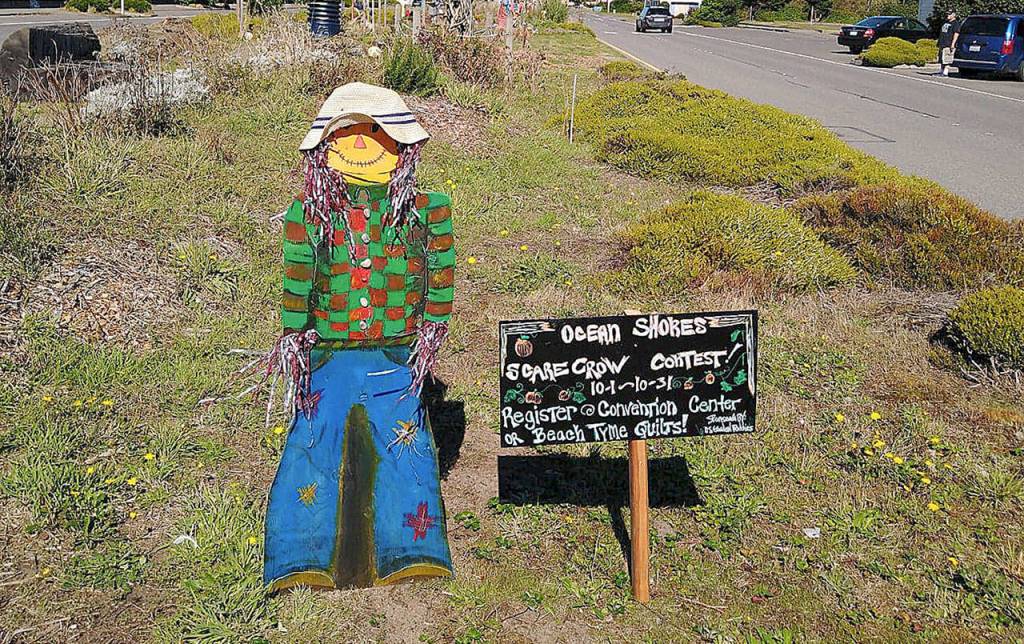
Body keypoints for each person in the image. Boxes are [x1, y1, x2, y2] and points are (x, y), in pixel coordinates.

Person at [260, 82, 456, 592]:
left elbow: (441, 272)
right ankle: (300, 552)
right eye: (348, 132)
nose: (363, 142)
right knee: (313, 438)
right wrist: (294, 334)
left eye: (376, 130)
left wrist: (433, 324)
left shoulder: (428, 210)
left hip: (396, 350)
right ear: (326, 144)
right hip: (328, 351)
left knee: (404, 442)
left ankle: (412, 546)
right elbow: (298, 275)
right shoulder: (309, 213)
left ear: (402, 143)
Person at [938, 10, 961, 77]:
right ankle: (941, 71)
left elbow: (956, 34)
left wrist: (953, 44)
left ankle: (945, 72)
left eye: (949, 14)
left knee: (947, 58)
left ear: (953, 15)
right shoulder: (945, 22)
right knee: (942, 58)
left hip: (949, 43)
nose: (948, 15)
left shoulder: (955, 24)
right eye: (947, 14)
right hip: (942, 43)